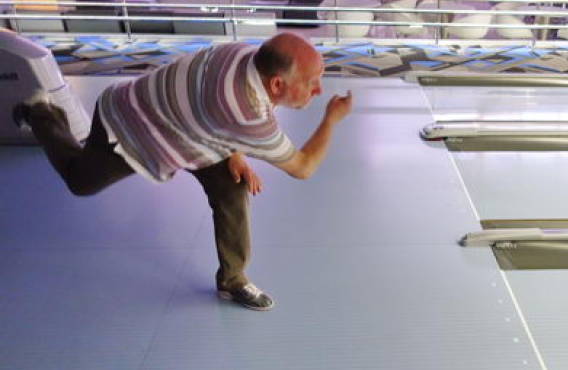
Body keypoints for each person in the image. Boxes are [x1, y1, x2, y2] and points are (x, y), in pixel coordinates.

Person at [13, 32, 353, 311]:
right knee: (80, 182)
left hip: (195, 132)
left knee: (232, 187)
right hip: (134, 123)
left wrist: (234, 151)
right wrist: (331, 119)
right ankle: (41, 111)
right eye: (312, 82)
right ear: (276, 84)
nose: (319, 90)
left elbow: (228, 121)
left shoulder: (245, 54)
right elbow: (303, 167)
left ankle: (232, 280)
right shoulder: (247, 115)